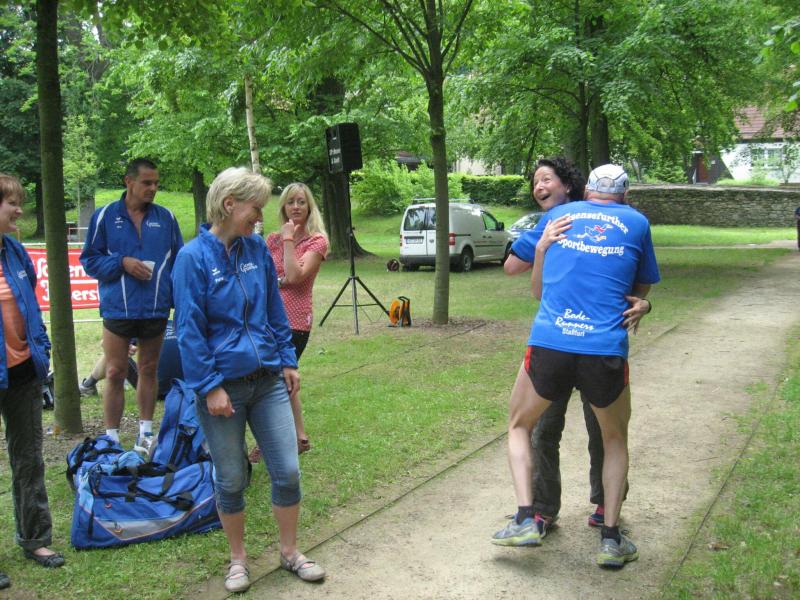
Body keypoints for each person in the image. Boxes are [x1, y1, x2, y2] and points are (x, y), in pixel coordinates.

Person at [493, 164, 660, 569]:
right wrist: (642, 303)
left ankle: (526, 518)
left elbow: (533, 287)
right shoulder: (637, 223)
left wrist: (542, 249)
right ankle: (610, 538)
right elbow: (639, 289)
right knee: (613, 438)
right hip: (604, 348)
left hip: (552, 342)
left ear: (584, 189)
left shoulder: (556, 218)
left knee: (519, 425)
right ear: (625, 195)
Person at [172, 167, 325, 593]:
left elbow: (274, 310)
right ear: (229, 205)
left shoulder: (256, 248)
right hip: (223, 389)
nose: (260, 216)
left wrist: (288, 360)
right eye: (255, 208)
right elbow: (189, 331)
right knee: (231, 478)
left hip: (268, 381)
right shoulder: (192, 259)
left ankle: (290, 552)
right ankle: (238, 560)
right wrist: (210, 387)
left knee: (288, 471)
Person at [80, 158, 183, 455]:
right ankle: (112, 438)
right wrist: (122, 262)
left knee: (149, 369)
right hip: (118, 308)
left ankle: (145, 434)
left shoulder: (166, 218)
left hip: (155, 308)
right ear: (129, 182)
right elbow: (90, 261)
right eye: (147, 183)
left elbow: (179, 262)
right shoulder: (105, 216)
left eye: (156, 183)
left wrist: (177, 302)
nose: (153, 188)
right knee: (115, 371)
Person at [0, 174, 65, 590]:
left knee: (28, 459)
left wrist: (39, 347)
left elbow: (31, 303)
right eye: (11, 202)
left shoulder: (15, 251)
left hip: (22, 372)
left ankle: (35, 539)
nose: (20, 210)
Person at [249, 183, 328, 463]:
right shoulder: (270, 239)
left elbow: (295, 277)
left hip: (295, 322)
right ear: (283, 206)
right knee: (282, 379)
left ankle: (271, 442)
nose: (296, 207)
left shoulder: (316, 241)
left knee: (276, 382)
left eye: (301, 202)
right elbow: (259, 277)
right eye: (290, 202)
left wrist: (288, 240)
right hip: (267, 319)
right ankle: (299, 437)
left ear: (309, 207)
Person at [79, 321, 183, 400]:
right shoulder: (182, 325)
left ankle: (88, 385)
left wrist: (124, 348)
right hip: (185, 388)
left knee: (115, 349)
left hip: (151, 388)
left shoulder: (147, 325)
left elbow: (106, 343)